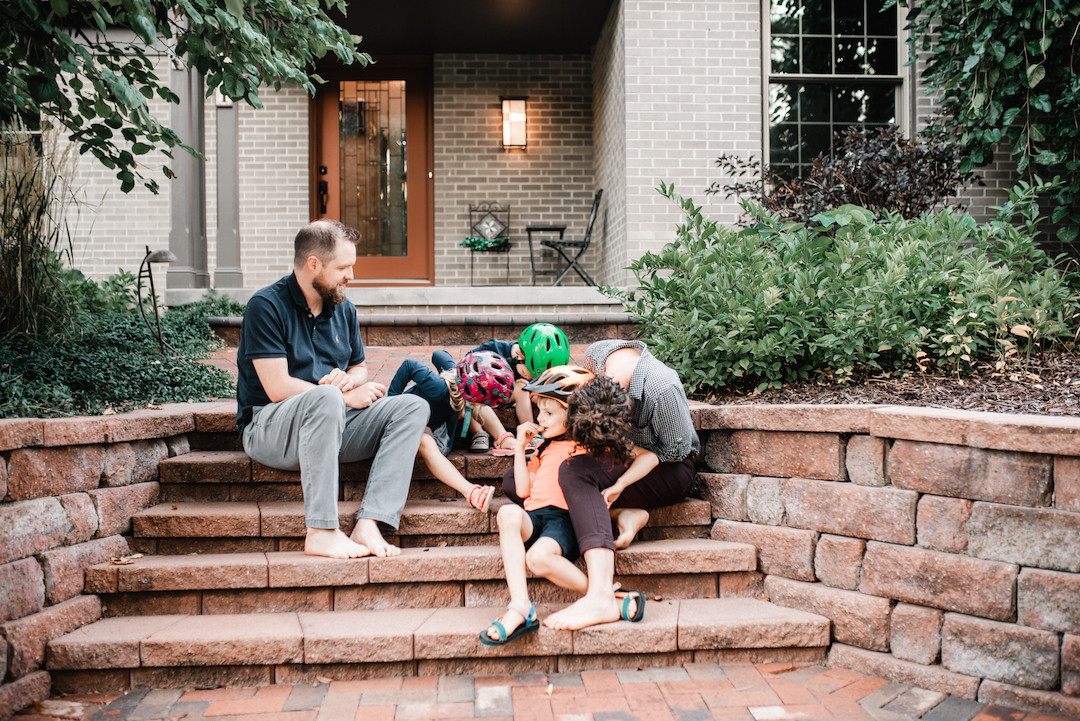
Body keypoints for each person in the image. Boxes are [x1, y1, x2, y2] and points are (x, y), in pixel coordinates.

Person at [235, 220, 429, 559]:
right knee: (324, 398)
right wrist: (341, 395)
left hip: (332, 425)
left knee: (412, 406)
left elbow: (359, 367)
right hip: (270, 429)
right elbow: (277, 386)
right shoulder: (265, 306)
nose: (351, 275)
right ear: (314, 264)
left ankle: (370, 523)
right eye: (343, 267)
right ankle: (322, 531)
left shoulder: (343, 307)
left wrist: (351, 381)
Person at [543, 339, 699, 631]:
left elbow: (676, 451)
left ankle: (601, 595)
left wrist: (623, 474)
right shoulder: (596, 356)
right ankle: (624, 515)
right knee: (565, 472)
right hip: (627, 457)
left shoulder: (661, 387)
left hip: (670, 467)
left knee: (574, 473)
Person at [480, 366, 639, 646]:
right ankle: (521, 606)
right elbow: (522, 490)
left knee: (537, 559)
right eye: (539, 411)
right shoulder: (543, 449)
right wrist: (520, 448)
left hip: (564, 520)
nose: (540, 419)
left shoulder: (588, 447)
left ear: (576, 415)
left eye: (549, 413)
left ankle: (602, 595)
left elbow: (636, 457)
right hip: (535, 516)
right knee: (507, 512)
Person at [385, 350, 509, 511]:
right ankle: (472, 493)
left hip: (437, 424)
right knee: (430, 444)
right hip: (411, 421)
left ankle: (505, 438)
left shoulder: (458, 376)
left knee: (442, 446)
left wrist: (453, 368)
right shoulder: (439, 388)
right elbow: (409, 365)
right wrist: (392, 403)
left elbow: (438, 354)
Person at [466, 323, 570, 451]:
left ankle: (530, 432)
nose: (532, 378)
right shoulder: (493, 349)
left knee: (522, 386)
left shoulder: (531, 368)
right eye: (530, 374)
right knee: (469, 388)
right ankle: (478, 433)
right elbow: (465, 369)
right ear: (518, 356)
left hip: (507, 396)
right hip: (482, 397)